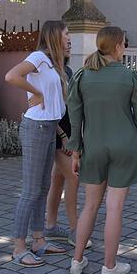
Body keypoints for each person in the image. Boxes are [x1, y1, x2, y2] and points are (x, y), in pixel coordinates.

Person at [66, 26, 137, 274]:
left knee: (89, 206)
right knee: (114, 209)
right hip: (125, 147)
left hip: (93, 147)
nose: (125, 48)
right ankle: (109, 267)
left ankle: (77, 261)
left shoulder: (82, 76)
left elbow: (74, 118)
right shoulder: (131, 77)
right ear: (117, 46)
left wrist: (75, 152)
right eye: (124, 43)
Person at [5, 21, 70, 267]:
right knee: (31, 190)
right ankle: (19, 247)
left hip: (49, 128)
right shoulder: (38, 57)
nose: (69, 39)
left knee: (43, 188)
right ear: (55, 36)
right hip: (35, 129)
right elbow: (11, 76)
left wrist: (62, 134)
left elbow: (54, 108)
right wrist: (37, 93)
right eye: (66, 35)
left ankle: (39, 240)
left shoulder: (51, 63)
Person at [43, 45, 93, 249]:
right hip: (57, 132)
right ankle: (75, 230)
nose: (70, 44)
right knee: (74, 177)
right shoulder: (48, 71)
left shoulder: (69, 70)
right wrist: (64, 137)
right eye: (66, 39)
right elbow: (47, 107)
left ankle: (51, 226)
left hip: (67, 131)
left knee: (58, 179)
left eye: (71, 40)